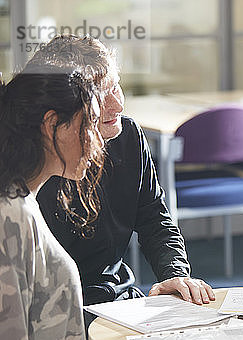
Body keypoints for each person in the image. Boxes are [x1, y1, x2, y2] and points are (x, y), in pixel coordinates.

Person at [0, 62, 158, 340]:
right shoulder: (9, 216)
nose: (97, 144)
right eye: (88, 127)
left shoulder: (23, 200)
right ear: (52, 125)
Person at [32, 35, 215, 307]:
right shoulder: (33, 165)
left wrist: (175, 274)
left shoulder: (127, 135)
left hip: (119, 296)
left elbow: (155, 219)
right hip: (57, 307)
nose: (116, 105)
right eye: (100, 95)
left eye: (115, 87)